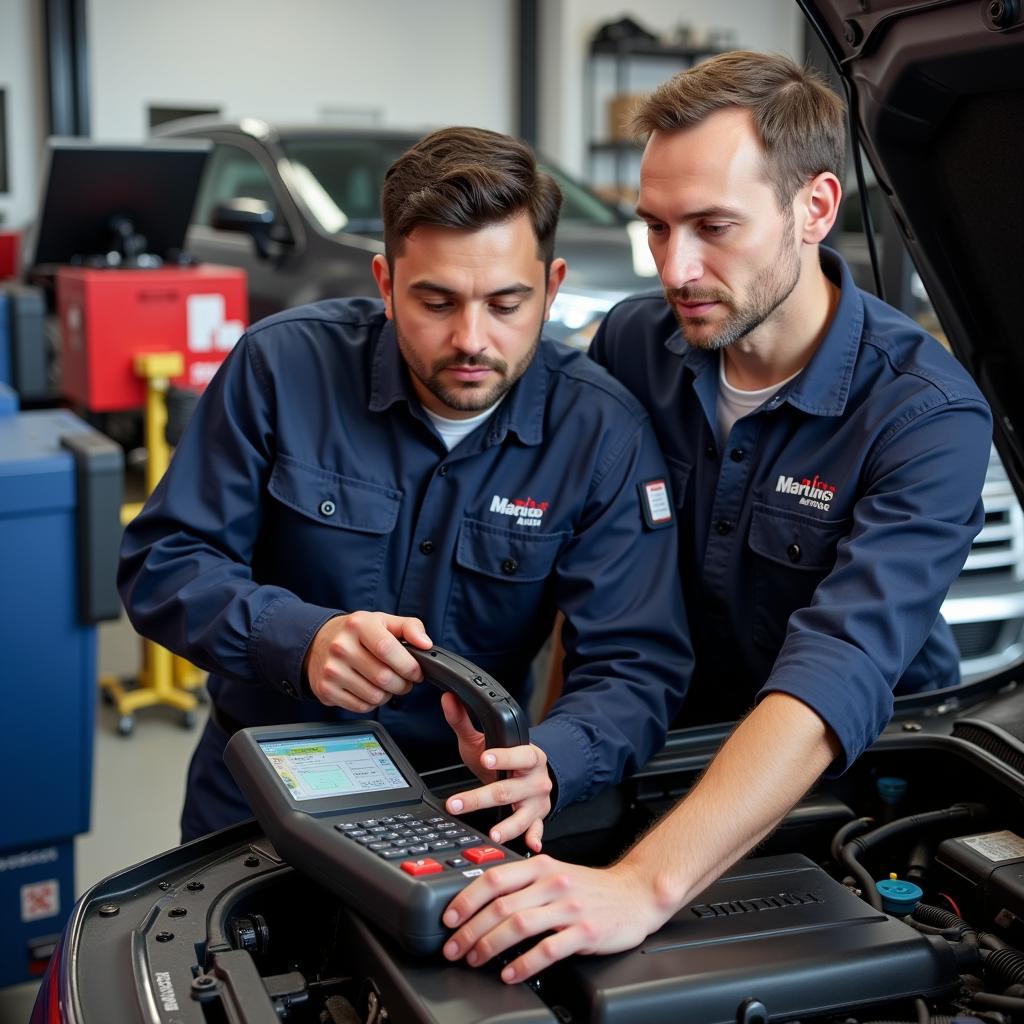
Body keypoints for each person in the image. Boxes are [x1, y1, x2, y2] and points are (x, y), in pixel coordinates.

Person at [441, 52, 992, 980]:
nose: (676, 267)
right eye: (655, 227)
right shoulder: (631, 344)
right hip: (658, 740)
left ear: (815, 209)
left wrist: (645, 887)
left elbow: (840, 670)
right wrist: (552, 750)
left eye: (713, 227)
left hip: (850, 777)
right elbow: (584, 569)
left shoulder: (923, 415)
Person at [118, 126, 690, 847]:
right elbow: (163, 562)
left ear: (552, 287)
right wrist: (300, 639)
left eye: (507, 305)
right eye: (438, 302)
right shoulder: (280, 368)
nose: (473, 340)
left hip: (457, 807)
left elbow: (637, 663)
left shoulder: (602, 434)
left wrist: (552, 761)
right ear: (386, 285)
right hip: (258, 798)